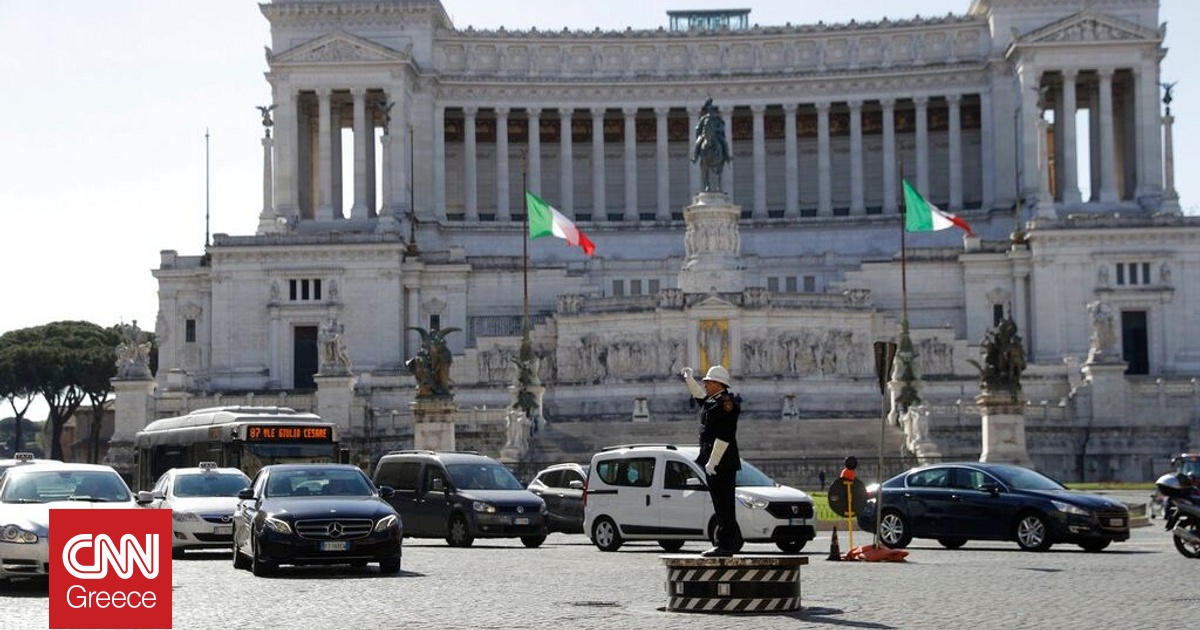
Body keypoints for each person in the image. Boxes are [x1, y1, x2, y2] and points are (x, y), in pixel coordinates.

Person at [681, 364, 742, 557]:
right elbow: (700, 397)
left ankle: (725, 545)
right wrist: (689, 380)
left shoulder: (726, 404)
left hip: (722, 462)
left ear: (717, 384)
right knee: (719, 503)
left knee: (724, 504)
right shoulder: (715, 401)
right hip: (716, 461)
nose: (705, 385)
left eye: (708, 382)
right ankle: (725, 544)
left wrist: (713, 461)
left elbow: (725, 436)